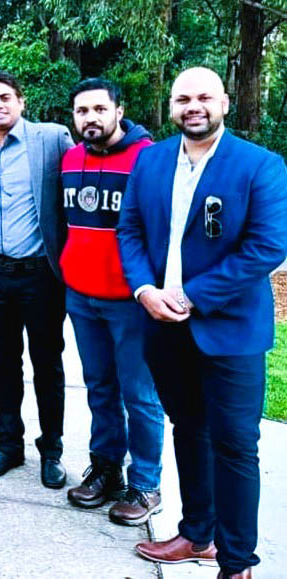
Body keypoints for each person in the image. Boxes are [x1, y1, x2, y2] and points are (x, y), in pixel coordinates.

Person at [117, 67, 287, 579]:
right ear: (171, 107)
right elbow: (129, 229)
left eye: (204, 97)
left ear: (225, 103)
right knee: (188, 429)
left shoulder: (260, 165)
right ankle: (197, 534)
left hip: (229, 332)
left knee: (235, 445)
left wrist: (191, 297)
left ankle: (236, 564)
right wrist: (144, 289)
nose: (194, 106)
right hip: (162, 327)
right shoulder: (150, 161)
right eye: (183, 98)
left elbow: (267, 247)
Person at [59, 78, 166, 525]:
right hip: (82, 297)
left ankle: (145, 483)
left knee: (139, 395)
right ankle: (106, 470)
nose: (91, 118)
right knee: (99, 388)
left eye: (100, 109)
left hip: (130, 301)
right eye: (82, 111)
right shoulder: (69, 158)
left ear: (119, 111)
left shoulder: (149, 157)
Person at [0, 70, 75, 488]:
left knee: (47, 365)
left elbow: (89, 163)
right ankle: (9, 446)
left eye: (5, 97)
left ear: (21, 101)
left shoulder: (51, 139)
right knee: (3, 365)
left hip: (41, 276)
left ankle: (52, 450)